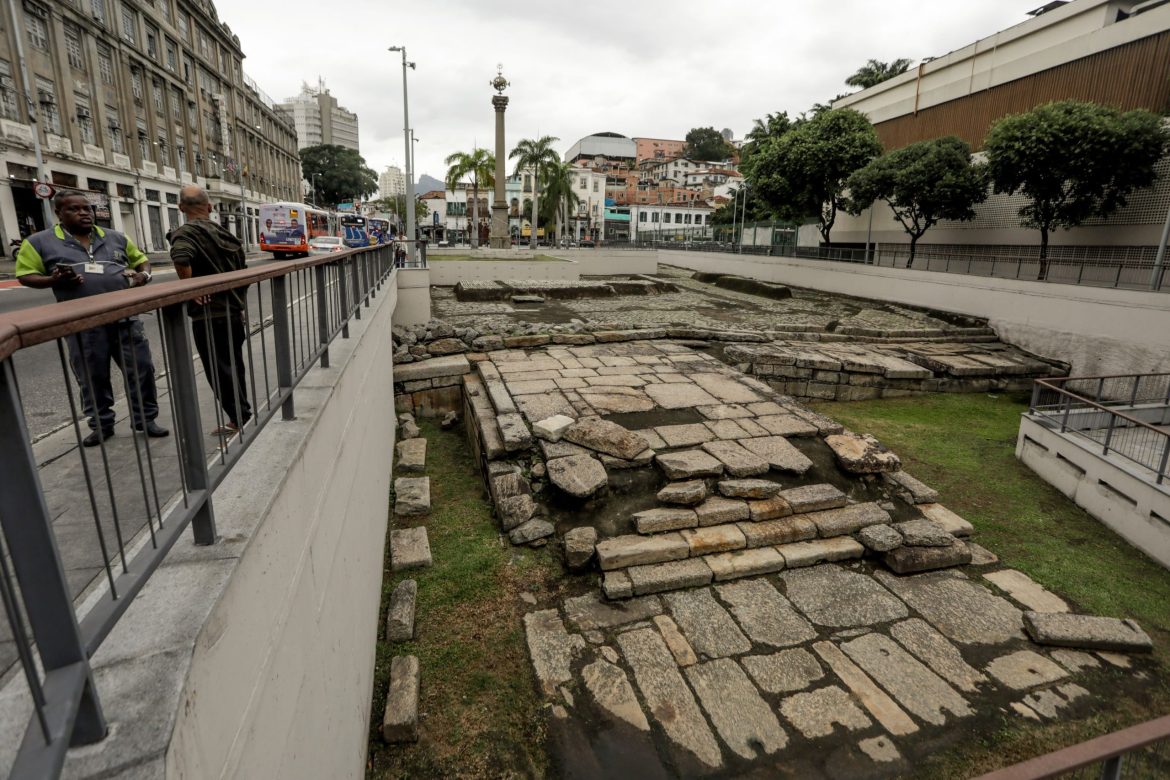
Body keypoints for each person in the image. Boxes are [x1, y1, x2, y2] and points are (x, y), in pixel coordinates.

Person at [15, 191, 168, 446]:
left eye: (87, 209)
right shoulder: (39, 242)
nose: (84, 213)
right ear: (59, 213)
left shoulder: (115, 237)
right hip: (82, 324)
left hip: (125, 318)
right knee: (91, 375)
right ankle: (101, 424)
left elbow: (142, 261)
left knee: (141, 369)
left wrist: (144, 275)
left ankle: (146, 419)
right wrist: (54, 280)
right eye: (75, 209)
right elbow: (25, 275)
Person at [169, 185, 251, 436]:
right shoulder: (226, 235)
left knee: (219, 370)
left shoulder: (186, 233)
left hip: (209, 315)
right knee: (234, 366)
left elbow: (181, 257)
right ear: (210, 207)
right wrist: (238, 304)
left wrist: (191, 288)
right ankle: (242, 414)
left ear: (181, 208)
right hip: (232, 312)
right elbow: (242, 273)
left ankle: (240, 418)